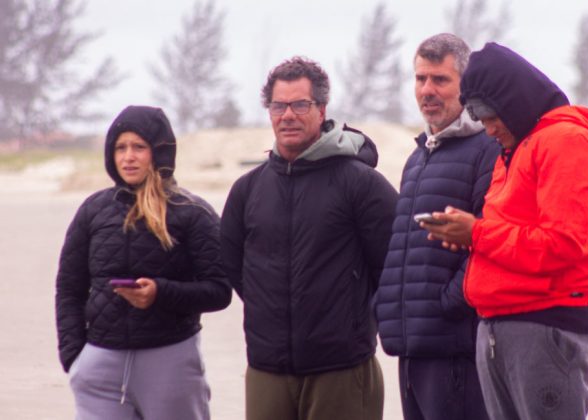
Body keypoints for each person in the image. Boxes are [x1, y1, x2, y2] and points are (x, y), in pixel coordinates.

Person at [422, 43, 588, 420]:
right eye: (476, 115)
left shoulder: (565, 141)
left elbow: (563, 245)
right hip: (503, 325)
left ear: (513, 101)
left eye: (489, 115)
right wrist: (468, 232)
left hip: (545, 326)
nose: (486, 128)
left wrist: (477, 234)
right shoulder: (519, 146)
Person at [220, 56, 398, 420]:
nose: (288, 115)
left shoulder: (361, 185)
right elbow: (236, 270)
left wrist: (353, 326)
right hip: (267, 369)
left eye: (300, 104)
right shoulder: (247, 190)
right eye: (278, 105)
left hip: (342, 370)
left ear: (321, 110)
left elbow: (393, 268)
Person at [55, 105, 232, 419]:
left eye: (139, 147)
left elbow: (219, 291)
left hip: (170, 361)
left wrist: (160, 293)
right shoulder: (92, 210)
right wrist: (74, 358)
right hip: (99, 366)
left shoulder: (193, 212)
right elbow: (69, 289)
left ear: (159, 152)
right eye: (120, 148)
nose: (128, 157)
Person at [374, 33, 499, 420]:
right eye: (420, 79)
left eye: (440, 80)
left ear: (466, 85)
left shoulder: (487, 150)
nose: (427, 90)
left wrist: (448, 301)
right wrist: (385, 306)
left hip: (455, 349)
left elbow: (491, 239)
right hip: (411, 347)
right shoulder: (418, 157)